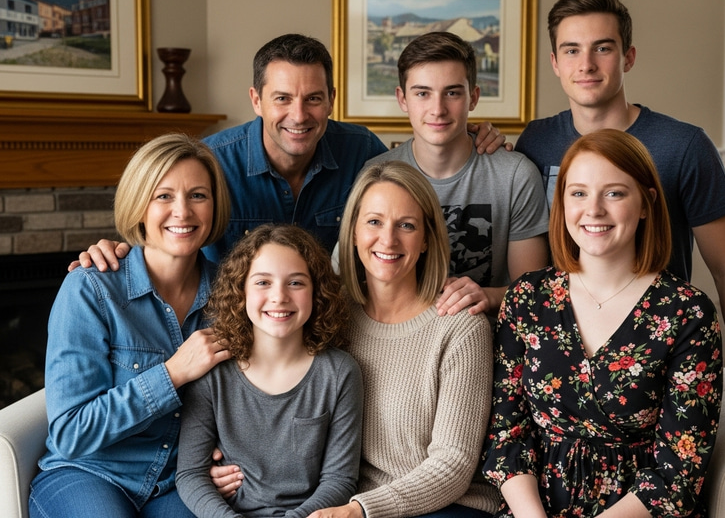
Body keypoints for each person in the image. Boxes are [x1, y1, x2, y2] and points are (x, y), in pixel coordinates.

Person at [514, 0, 725, 445]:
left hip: (651, 360)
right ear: (556, 62)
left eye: (603, 48)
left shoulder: (683, 146)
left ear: (628, 56)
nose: (587, 64)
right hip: (563, 361)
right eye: (571, 50)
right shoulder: (535, 143)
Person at [74, 34, 508, 270]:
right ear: (256, 99)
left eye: (313, 99)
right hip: (230, 333)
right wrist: (117, 251)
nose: (298, 115)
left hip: (332, 335)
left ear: (331, 99)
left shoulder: (364, 154)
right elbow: (165, 231)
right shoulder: (211, 163)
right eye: (282, 98)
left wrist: (474, 136)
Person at [216, 161, 499, 517]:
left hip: (445, 505)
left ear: (427, 238)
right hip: (342, 503)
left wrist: (360, 510)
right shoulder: (328, 315)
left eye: (407, 226)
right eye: (374, 222)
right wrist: (223, 462)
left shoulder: (459, 328)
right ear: (352, 232)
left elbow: (453, 464)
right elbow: (273, 402)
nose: (388, 239)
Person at [483, 128, 723, 517]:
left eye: (614, 193)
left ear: (646, 203)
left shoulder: (686, 312)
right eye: (578, 193)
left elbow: (679, 472)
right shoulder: (527, 298)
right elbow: (506, 437)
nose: (593, 210)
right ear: (561, 204)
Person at [28, 134, 233, 517]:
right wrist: (173, 373)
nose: (183, 212)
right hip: (88, 472)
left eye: (198, 196)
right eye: (163, 196)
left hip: (180, 480)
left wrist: (230, 456)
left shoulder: (233, 295)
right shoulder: (91, 289)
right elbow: (72, 433)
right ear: (139, 205)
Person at [176, 224, 363, 518]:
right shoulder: (213, 373)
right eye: (263, 282)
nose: (279, 297)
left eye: (296, 283)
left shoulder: (339, 373)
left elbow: (339, 480)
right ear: (241, 292)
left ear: (317, 292)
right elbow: (190, 474)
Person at [367, 32, 549, 317]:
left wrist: (484, 296)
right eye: (422, 93)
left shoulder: (515, 175)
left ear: (473, 97)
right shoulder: (377, 176)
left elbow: (533, 290)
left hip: (490, 339)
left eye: (452, 93)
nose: (437, 109)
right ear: (403, 99)